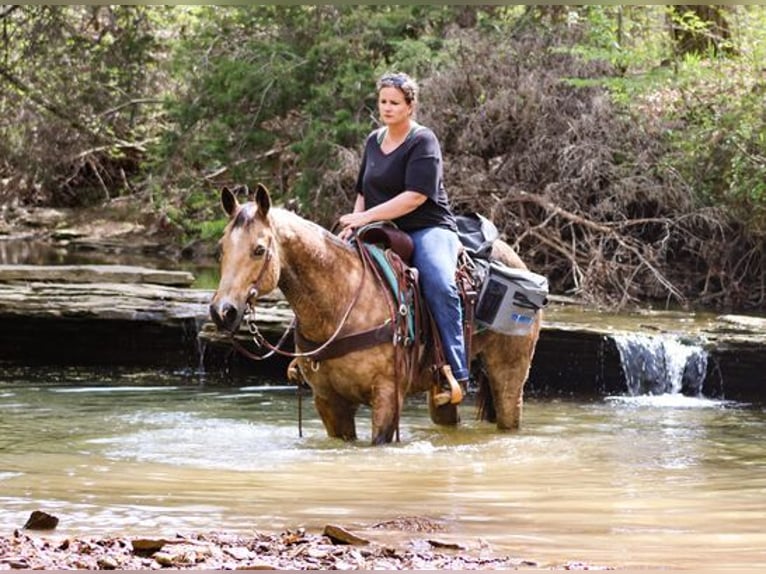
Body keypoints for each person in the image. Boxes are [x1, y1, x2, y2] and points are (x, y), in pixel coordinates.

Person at [339, 72, 467, 406]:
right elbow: (362, 194)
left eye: (395, 103)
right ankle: (314, 357)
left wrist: (366, 218)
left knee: (439, 282)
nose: (387, 108)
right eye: (383, 102)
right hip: (381, 227)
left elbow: (415, 197)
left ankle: (453, 370)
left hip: (426, 227)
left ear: (410, 106)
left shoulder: (424, 141)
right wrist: (354, 225)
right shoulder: (373, 141)